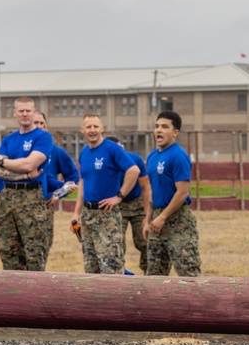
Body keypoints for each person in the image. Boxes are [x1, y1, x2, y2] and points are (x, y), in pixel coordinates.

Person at [71, 114, 140, 274]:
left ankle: (116, 298)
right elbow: (83, 182)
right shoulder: (84, 153)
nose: (92, 130)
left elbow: (134, 170)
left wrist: (119, 197)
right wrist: (76, 213)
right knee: (91, 266)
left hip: (107, 215)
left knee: (111, 266)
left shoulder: (112, 149)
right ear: (82, 130)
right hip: (88, 216)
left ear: (102, 128)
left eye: (96, 126)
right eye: (88, 127)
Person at [0, 96, 52, 271]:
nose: (25, 114)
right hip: (7, 198)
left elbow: (29, 164)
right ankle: (13, 295)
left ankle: (36, 295)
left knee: (34, 253)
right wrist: (24, 175)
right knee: (8, 250)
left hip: (31, 198)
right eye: (21, 111)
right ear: (14, 113)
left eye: (28, 111)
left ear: (34, 112)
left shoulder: (43, 137)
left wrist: (3, 162)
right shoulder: (8, 140)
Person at [143, 110, 201, 276]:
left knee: (188, 273)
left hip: (178, 222)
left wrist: (163, 217)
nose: (158, 130)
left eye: (164, 127)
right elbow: (154, 192)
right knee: (154, 276)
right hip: (157, 223)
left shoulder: (178, 155)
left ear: (175, 133)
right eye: (157, 126)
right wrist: (148, 220)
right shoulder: (152, 157)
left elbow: (182, 192)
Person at [32, 111, 80, 258]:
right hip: (20, 206)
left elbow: (73, 176)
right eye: (36, 123)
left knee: (40, 250)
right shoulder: (18, 147)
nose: (39, 127)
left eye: (42, 124)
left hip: (43, 207)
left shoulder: (55, 151)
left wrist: (58, 194)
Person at [109, 136, 151, 275]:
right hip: (118, 205)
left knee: (144, 241)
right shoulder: (107, 163)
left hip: (137, 204)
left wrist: (147, 215)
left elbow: (145, 187)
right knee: (117, 243)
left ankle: (148, 272)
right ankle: (120, 273)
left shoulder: (135, 160)